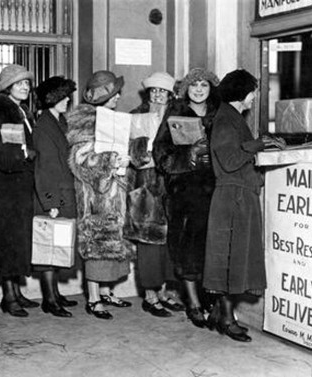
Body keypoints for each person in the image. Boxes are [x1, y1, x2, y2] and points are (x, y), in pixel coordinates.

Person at [203, 69, 285, 342]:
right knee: (231, 260)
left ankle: (220, 314)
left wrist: (260, 147)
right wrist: (259, 144)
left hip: (238, 196)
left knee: (233, 258)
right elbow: (229, 159)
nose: (254, 97)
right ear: (242, 92)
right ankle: (226, 319)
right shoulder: (226, 118)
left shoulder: (231, 116)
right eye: (252, 91)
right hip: (232, 199)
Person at [153, 68, 219, 328]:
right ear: (186, 89)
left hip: (215, 189)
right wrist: (189, 156)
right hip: (185, 192)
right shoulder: (176, 112)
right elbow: (160, 153)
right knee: (187, 249)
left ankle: (208, 299)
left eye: (204, 84)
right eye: (194, 85)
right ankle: (192, 302)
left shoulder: (219, 113)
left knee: (209, 246)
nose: (199, 89)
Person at [67, 70, 134, 320]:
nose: (118, 97)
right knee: (96, 246)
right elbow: (81, 161)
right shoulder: (85, 121)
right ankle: (93, 298)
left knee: (112, 247)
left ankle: (105, 292)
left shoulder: (111, 119)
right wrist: (111, 159)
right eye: (115, 93)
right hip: (95, 198)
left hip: (113, 194)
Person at [127, 72, 184, 317]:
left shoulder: (179, 117)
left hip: (172, 187)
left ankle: (162, 291)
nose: (158, 95)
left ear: (170, 94)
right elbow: (133, 155)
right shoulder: (135, 117)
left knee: (168, 242)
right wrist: (144, 159)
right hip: (146, 188)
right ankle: (150, 296)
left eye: (163, 91)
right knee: (148, 243)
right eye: (154, 91)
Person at [0, 64, 39, 317]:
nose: (25, 87)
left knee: (17, 240)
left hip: (18, 185)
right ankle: (8, 297)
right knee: (8, 241)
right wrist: (25, 155)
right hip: (5, 187)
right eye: (19, 84)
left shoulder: (20, 110)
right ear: (7, 87)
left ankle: (16, 292)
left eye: (27, 83)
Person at [32, 76, 78, 318]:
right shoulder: (44, 126)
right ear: (52, 98)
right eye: (63, 96)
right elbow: (45, 167)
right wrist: (50, 203)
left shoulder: (57, 121)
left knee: (58, 245)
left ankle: (55, 294)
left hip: (62, 192)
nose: (68, 100)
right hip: (53, 195)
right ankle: (49, 299)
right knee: (47, 249)